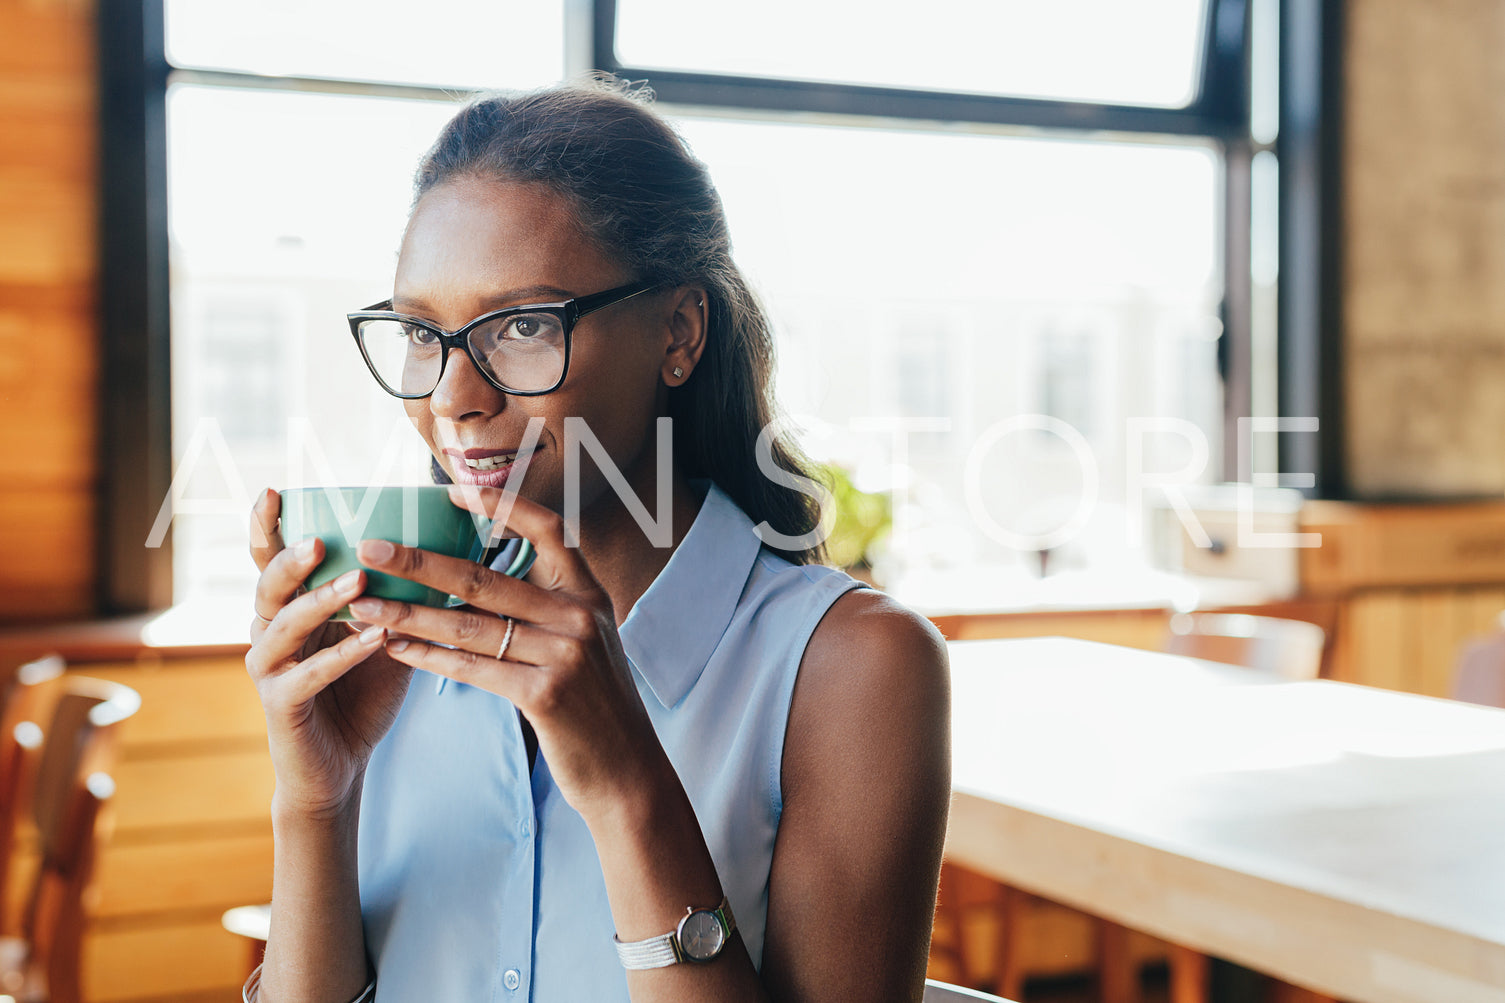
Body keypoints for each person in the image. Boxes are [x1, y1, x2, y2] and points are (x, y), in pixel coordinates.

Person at [244, 77, 950, 1003]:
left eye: (524, 325)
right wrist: (315, 803)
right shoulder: (394, 644)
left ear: (679, 331)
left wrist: (626, 789)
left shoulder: (855, 667)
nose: (454, 396)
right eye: (423, 332)